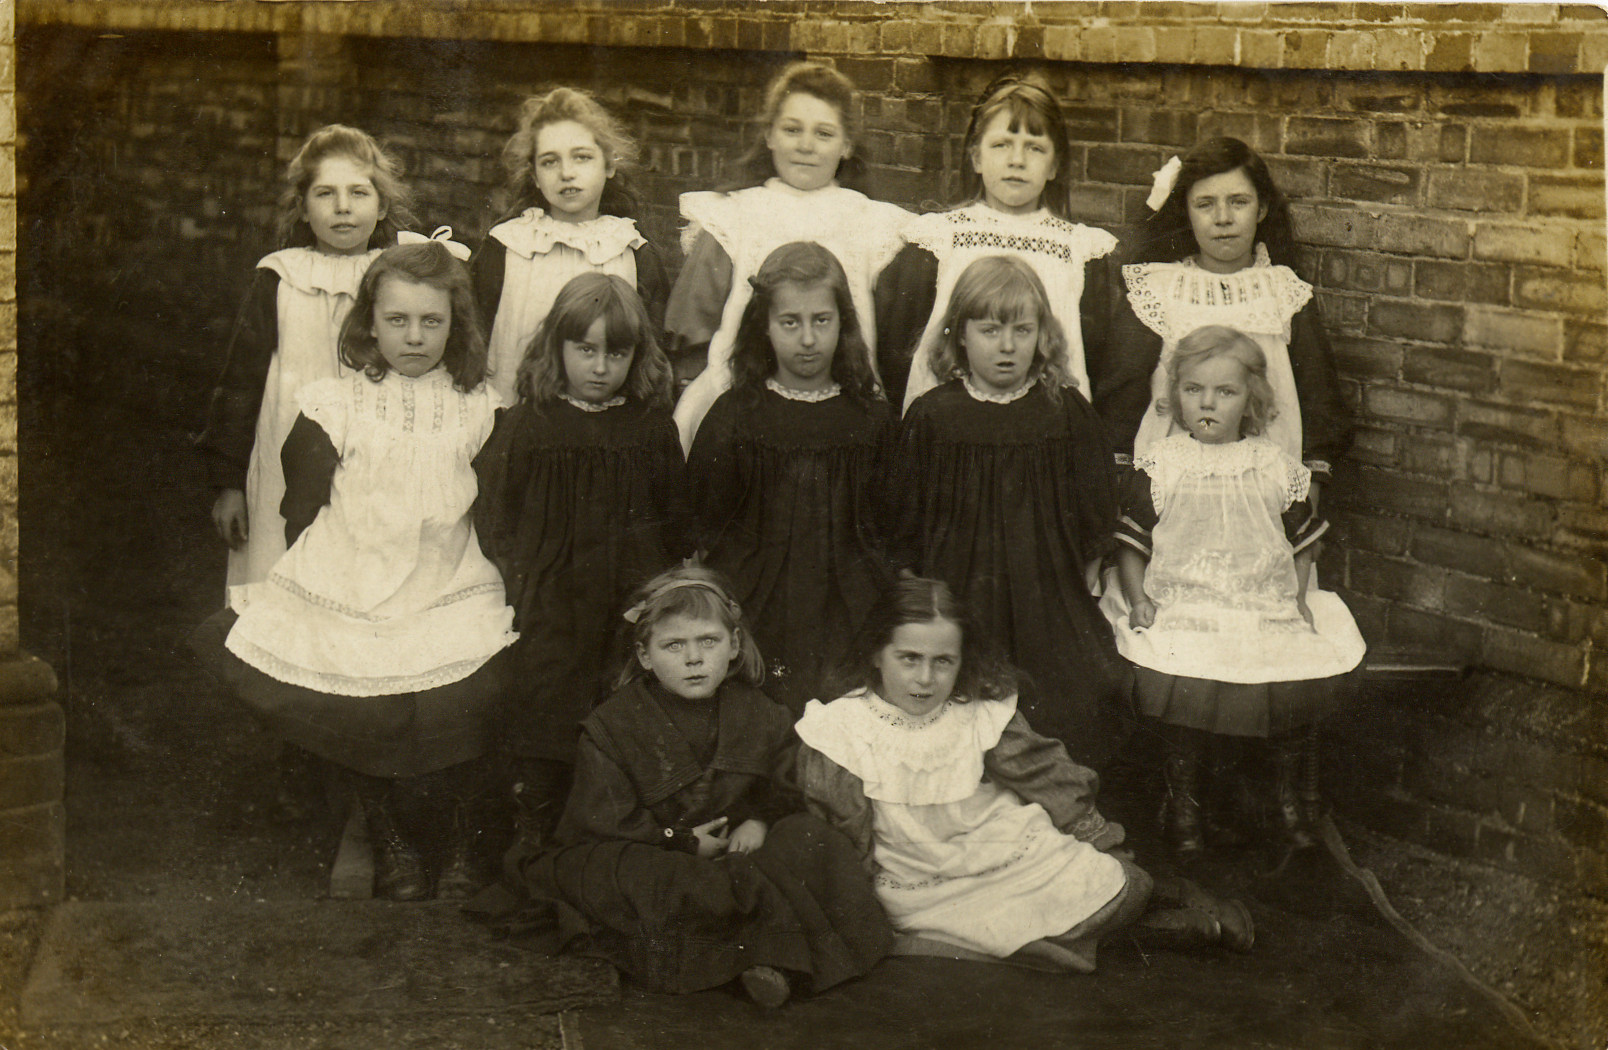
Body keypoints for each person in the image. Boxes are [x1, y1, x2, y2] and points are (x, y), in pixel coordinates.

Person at [194, 236, 517, 901]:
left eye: (432, 321)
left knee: (469, 685)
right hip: (355, 565)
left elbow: (499, 502)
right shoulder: (334, 402)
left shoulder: (482, 406)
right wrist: (339, 568)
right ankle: (382, 834)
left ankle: (456, 841)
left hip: (448, 569)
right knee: (360, 696)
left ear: (457, 325)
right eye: (397, 320)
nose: (415, 336)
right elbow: (304, 497)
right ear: (370, 320)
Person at [796, 576, 1254, 973]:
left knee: (1116, 882)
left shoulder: (974, 713)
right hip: (917, 880)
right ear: (877, 655)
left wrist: (1108, 847)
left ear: (961, 660)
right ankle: (1155, 928)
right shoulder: (843, 727)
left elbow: (1046, 777)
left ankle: (1156, 900)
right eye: (908, 658)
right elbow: (845, 827)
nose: (925, 679)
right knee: (975, 936)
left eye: (943, 662)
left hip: (1003, 853)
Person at [498, 565, 892, 1007]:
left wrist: (760, 821)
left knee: (810, 838)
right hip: (659, 850)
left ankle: (763, 964)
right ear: (645, 656)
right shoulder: (612, 726)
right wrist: (681, 841)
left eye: (708, 641)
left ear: (734, 646)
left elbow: (782, 786)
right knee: (649, 879)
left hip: (741, 850)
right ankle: (761, 961)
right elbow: (604, 817)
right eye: (673, 645)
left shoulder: (761, 713)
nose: (693, 658)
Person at [1100, 326, 1366, 854]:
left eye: (1226, 392)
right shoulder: (1162, 465)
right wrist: (1139, 601)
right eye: (1194, 389)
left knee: (1293, 669)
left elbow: (1302, 543)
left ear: (1251, 401)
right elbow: (1132, 545)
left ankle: (1285, 796)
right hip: (1184, 597)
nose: (1207, 403)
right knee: (1186, 675)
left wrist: (1295, 600)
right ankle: (1184, 801)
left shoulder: (1270, 466)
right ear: (1175, 395)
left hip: (1257, 599)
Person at [472, 272, 690, 853]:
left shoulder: (649, 430)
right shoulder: (527, 426)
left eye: (615, 353)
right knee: (544, 706)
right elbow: (496, 516)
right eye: (585, 350)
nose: (599, 367)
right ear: (557, 347)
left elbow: (673, 520)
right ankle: (535, 830)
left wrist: (651, 588)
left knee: (620, 705)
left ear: (636, 355)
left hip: (627, 602)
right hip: (550, 602)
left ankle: (609, 834)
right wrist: (528, 578)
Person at [888, 255, 1130, 770]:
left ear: (1042, 335)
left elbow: (1095, 515)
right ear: (959, 336)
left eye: (1022, 330)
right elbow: (906, 522)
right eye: (990, 329)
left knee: (1076, 692)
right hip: (960, 594)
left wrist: (1078, 585)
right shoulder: (933, 416)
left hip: (1047, 594)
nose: (1006, 346)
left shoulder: (1065, 413)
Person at [200, 124, 418, 608]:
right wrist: (229, 484)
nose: (343, 207)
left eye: (358, 193)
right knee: (282, 574)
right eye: (326, 193)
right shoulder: (280, 276)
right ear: (302, 207)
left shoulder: (397, 275)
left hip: (370, 455)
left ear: (381, 206)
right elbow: (239, 384)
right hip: (282, 450)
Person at [686, 242, 895, 715]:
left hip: (850, 594)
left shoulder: (870, 418)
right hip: (756, 592)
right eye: (790, 322)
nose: (807, 339)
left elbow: (892, 518)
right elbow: (707, 514)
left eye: (821, 320)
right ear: (764, 326)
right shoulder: (737, 413)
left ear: (843, 323)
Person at [664, 61, 910, 451]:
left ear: (846, 144)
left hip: (842, 408)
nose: (806, 146)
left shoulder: (874, 223)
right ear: (769, 136)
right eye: (792, 130)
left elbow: (896, 335)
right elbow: (695, 323)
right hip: (741, 404)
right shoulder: (735, 213)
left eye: (824, 133)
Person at [1089, 136, 1351, 491]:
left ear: (1260, 210)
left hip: (1264, 481)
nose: (1223, 218)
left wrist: (1313, 484)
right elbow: (1121, 395)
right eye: (1206, 204)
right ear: (1186, 211)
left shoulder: (1284, 292)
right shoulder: (1157, 289)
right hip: (1172, 481)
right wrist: (1121, 480)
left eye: (1238, 202)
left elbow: (1318, 397)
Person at [876, 72, 1117, 411]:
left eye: (1034, 148)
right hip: (952, 423)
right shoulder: (940, 239)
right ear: (976, 157)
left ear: (1054, 166)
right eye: (1001, 144)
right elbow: (898, 345)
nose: (1017, 160)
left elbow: (1094, 356)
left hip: (1045, 425)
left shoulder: (1079, 250)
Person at [472, 87, 668, 403]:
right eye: (549, 162)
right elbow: (474, 341)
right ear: (534, 175)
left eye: (582, 157)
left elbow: (650, 357)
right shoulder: (507, 247)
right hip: (514, 420)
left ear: (608, 165)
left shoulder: (632, 252)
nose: (566, 173)